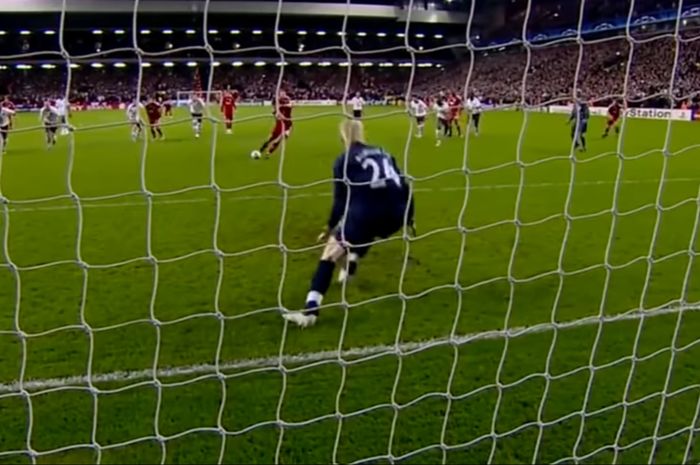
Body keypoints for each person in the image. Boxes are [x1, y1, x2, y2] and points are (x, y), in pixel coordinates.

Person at [283, 119, 415, 328]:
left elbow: (340, 202)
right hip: (397, 214)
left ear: (342, 136)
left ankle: (310, 311)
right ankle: (352, 258)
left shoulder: (344, 160)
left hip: (368, 213)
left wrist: (329, 227)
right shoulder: (383, 151)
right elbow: (405, 184)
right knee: (366, 229)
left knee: (330, 253)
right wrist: (409, 218)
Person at [257, 90, 292, 158]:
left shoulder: (287, 101)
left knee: (279, 139)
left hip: (288, 124)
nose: (283, 95)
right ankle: (263, 147)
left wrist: (283, 105)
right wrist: (277, 114)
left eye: (283, 93)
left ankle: (269, 152)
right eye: (281, 94)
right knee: (271, 138)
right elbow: (275, 112)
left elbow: (291, 105)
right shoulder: (277, 106)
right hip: (280, 123)